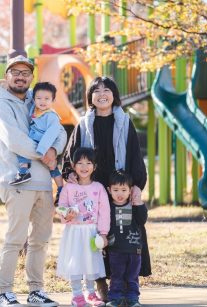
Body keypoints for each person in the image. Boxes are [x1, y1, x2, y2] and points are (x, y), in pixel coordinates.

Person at [62, 76, 150, 301]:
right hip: (92, 191)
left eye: (107, 89)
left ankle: (128, 288)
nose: (102, 94)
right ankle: (103, 288)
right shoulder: (84, 123)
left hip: (119, 190)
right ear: (90, 97)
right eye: (96, 90)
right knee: (97, 238)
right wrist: (70, 173)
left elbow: (134, 155)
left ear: (114, 94)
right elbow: (71, 154)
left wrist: (137, 186)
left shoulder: (125, 121)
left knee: (124, 237)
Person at [0, 54, 67, 307]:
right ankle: (5, 292)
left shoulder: (38, 101)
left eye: (26, 73)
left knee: (41, 240)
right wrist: (44, 152)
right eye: (16, 72)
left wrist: (54, 150)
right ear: (7, 75)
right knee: (15, 238)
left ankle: (36, 290)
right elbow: (15, 141)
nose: (21, 76)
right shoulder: (1, 106)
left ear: (31, 77)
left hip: (44, 182)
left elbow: (60, 129)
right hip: (17, 181)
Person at [56, 147, 110, 307]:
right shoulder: (68, 188)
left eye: (88, 163)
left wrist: (103, 233)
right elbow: (60, 207)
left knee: (91, 262)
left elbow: (104, 212)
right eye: (80, 163)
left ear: (94, 166)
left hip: (92, 232)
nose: (84, 166)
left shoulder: (99, 188)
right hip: (74, 232)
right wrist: (67, 213)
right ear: (73, 165)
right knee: (76, 263)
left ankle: (91, 293)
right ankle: (77, 295)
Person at [9, 81, 64, 204]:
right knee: (52, 167)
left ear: (53, 100)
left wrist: (42, 149)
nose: (42, 101)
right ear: (33, 99)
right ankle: (60, 189)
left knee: (24, 152)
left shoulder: (51, 116)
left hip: (43, 143)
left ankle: (24, 172)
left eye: (46, 99)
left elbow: (52, 132)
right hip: (38, 141)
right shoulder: (36, 109)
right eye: (38, 98)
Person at [106, 170, 149, 307]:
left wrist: (139, 203)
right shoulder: (108, 207)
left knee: (132, 277)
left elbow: (142, 220)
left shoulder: (134, 205)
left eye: (124, 190)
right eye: (116, 190)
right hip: (115, 250)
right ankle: (115, 298)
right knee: (116, 276)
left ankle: (133, 299)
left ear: (130, 190)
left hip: (134, 250)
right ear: (109, 190)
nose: (120, 193)